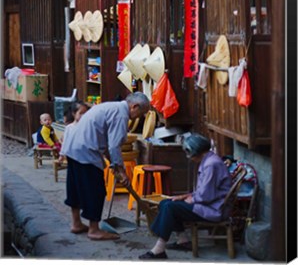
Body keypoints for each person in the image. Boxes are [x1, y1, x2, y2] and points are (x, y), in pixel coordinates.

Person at [61, 91, 150, 241]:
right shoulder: (121, 114)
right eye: (141, 113)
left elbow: (109, 146)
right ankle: (94, 229)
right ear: (134, 106)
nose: (139, 117)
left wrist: (115, 165)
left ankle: (76, 223)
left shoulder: (110, 106)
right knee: (96, 190)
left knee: (75, 186)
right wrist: (120, 170)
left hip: (73, 148)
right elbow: (115, 146)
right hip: (85, 151)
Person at [139, 133, 232, 260]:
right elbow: (205, 190)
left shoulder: (211, 164)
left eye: (190, 153)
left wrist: (192, 199)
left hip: (214, 208)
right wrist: (184, 196)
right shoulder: (209, 160)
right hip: (208, 203)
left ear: (197, 151)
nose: (189, 157)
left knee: (171, 208)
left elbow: (206, 195)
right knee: (166, 203)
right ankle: (182, 240)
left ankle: (159, 249)